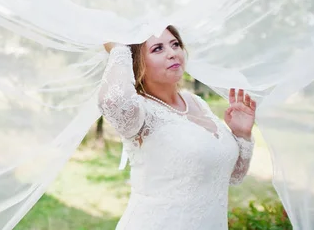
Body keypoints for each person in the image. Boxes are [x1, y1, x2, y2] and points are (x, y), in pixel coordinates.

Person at [99, 25, 256, 230]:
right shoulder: (140, 112)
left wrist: (241, 134)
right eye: (158, 49)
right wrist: (119, 51)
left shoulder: (197, 102)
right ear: (136, 62)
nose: (172, 53)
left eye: (175, 44)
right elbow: (113, 101)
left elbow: (233, 176)